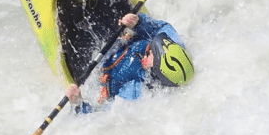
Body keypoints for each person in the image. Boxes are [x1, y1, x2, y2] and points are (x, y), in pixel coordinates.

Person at [65, 13, 194, 113]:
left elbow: (100, 114)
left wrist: (78, 103)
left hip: (99, 71)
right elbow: (161, 27)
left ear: (154, 69)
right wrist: (138, 22)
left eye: (151, 53)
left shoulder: (135, 91)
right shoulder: (172, 46)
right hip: (118, 38)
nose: (150, 48)